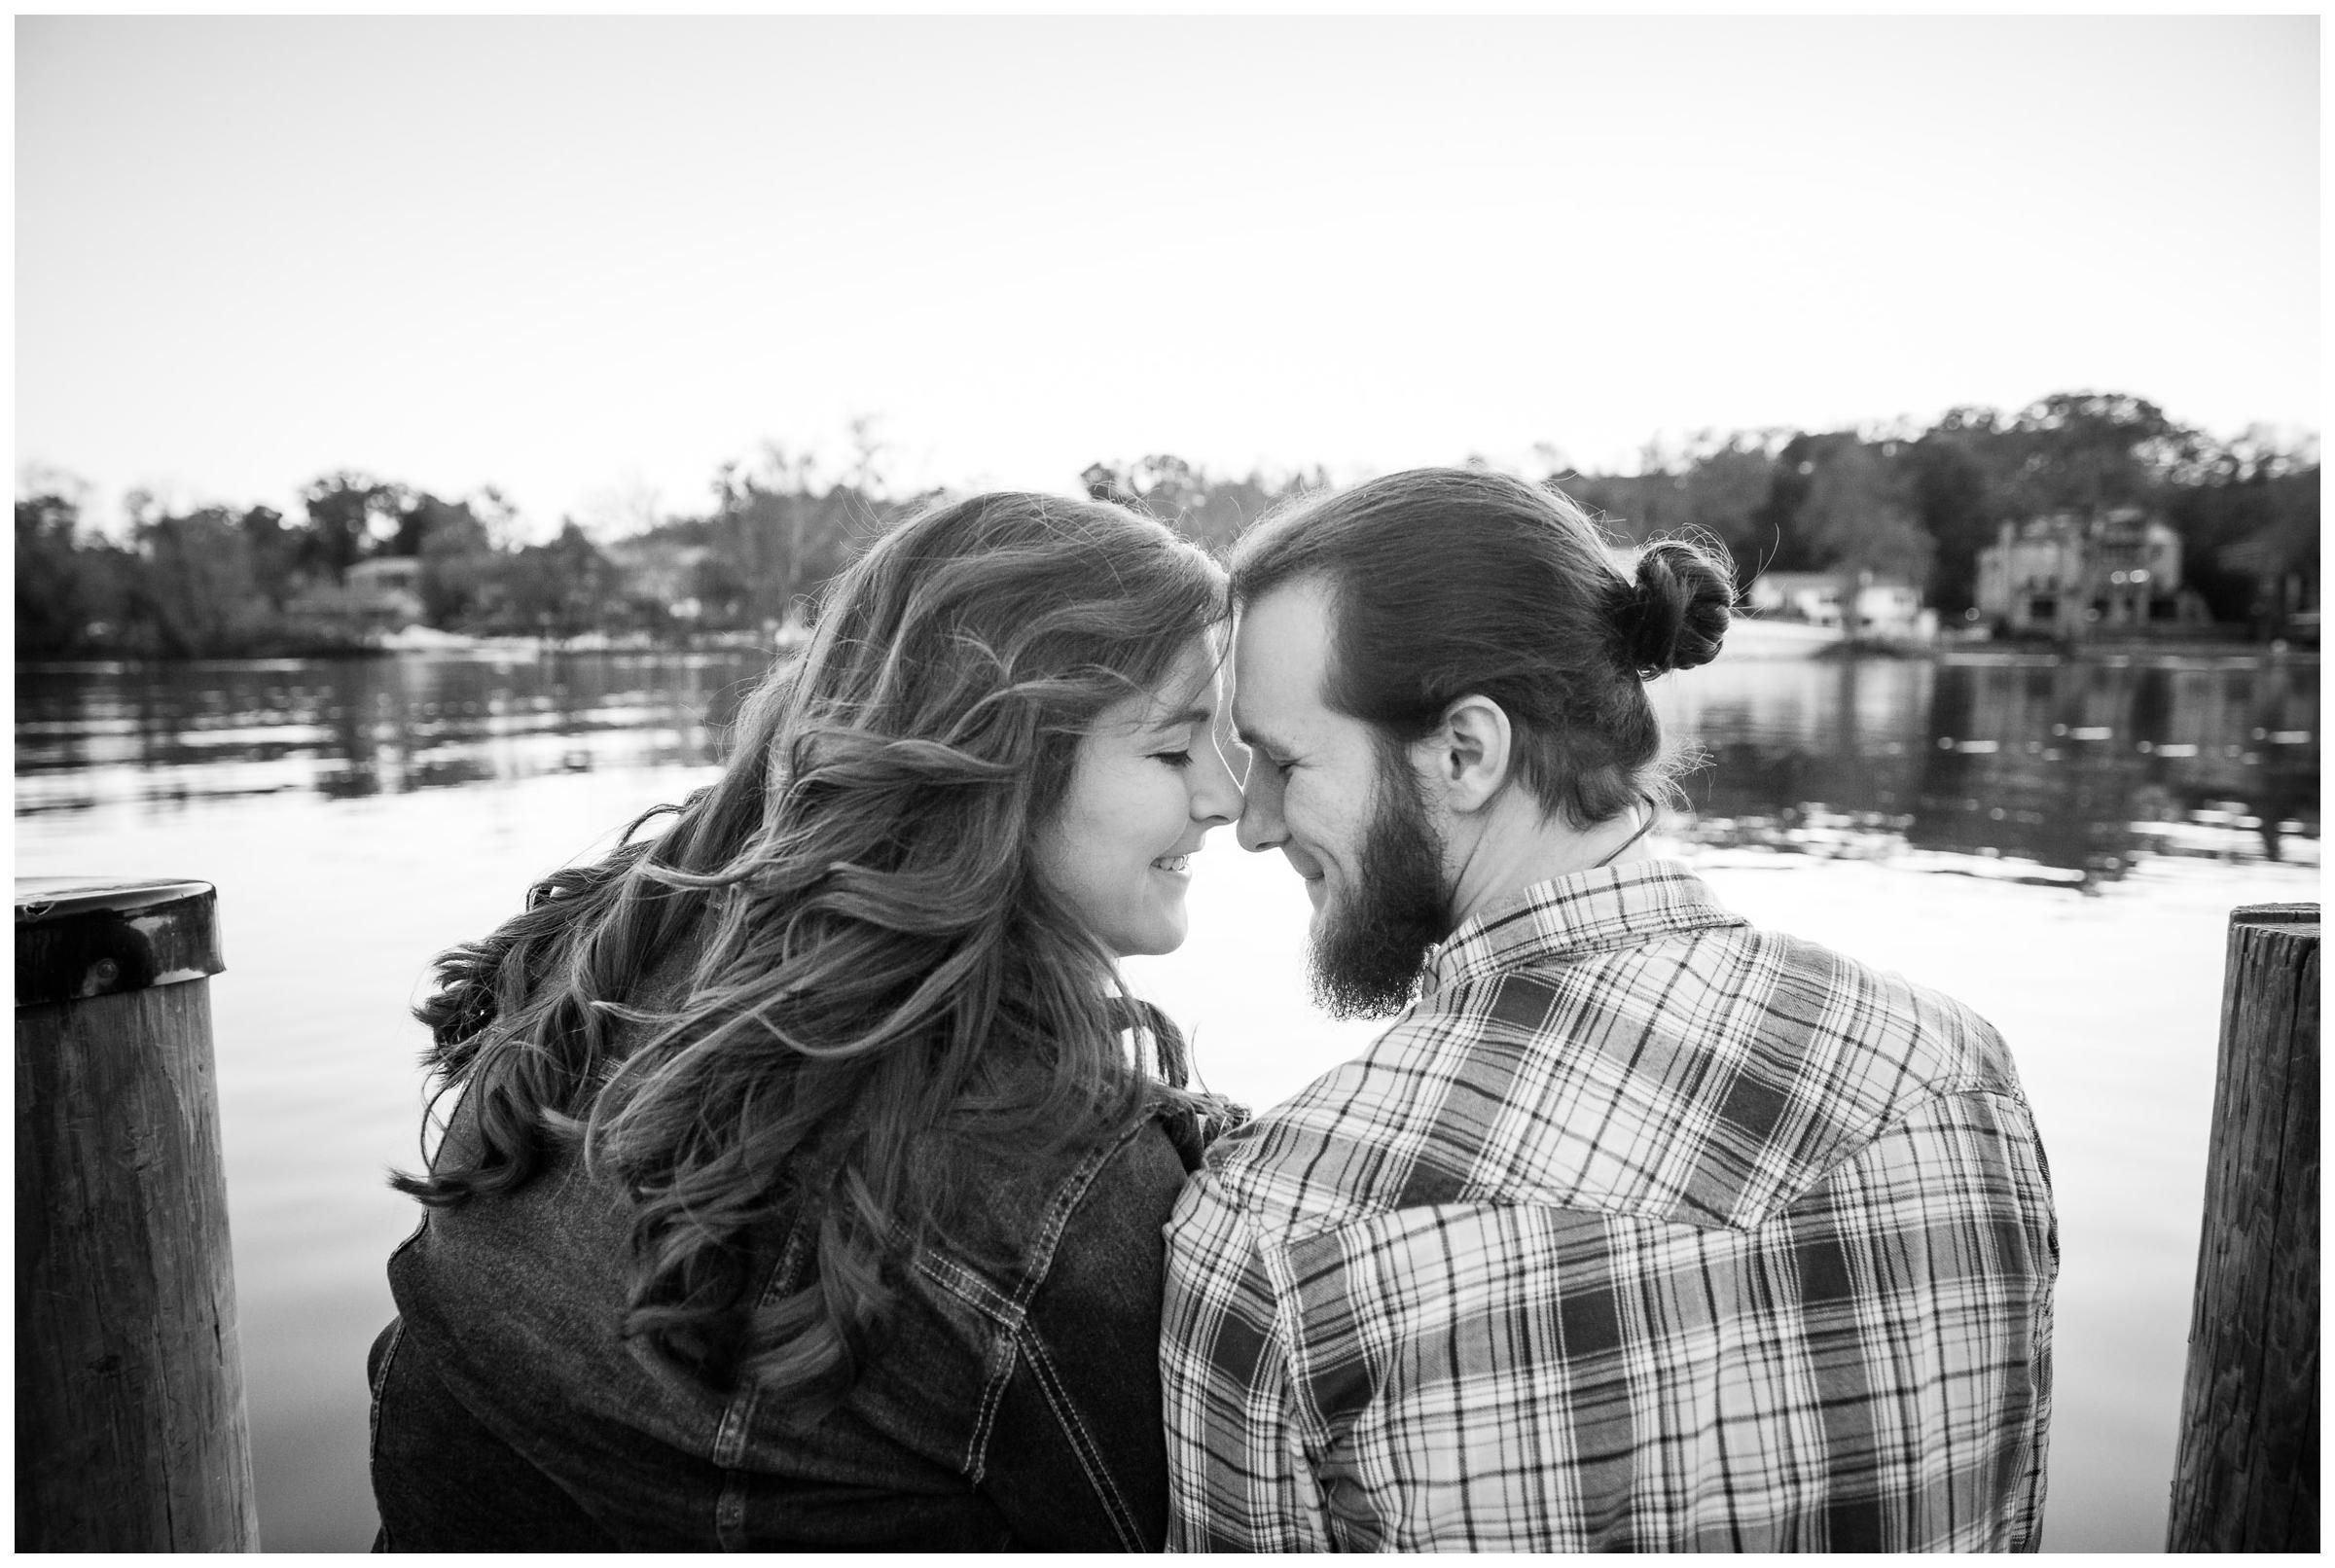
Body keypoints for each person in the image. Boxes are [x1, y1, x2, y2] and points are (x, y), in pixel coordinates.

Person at [1161, 467, 2058, 1551]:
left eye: (1284, 761)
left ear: (1465, 752)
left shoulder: (1279, 1231)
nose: (1252, 824)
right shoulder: (1958, 1077)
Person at [368, 491, 1246, 1550]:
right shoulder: (1043, 1171)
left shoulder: (602, 970)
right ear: (1001, 766)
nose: (1227, 798)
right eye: (1173, 751)